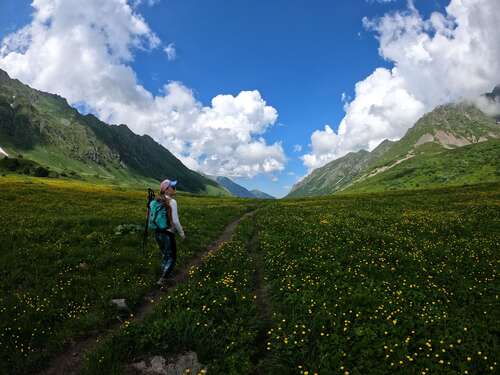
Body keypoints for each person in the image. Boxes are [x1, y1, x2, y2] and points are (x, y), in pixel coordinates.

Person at [155, 178, 185, 286]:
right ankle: (163, 279)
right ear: (166, 190)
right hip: (168, 233)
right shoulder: (172, 201)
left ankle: (164, 273)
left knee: (165, 254)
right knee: (172, 256)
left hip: (158, 232)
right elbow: (176, 221)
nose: (175, 188)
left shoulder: (157, 200)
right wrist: (181, 233)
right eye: (173, 187)